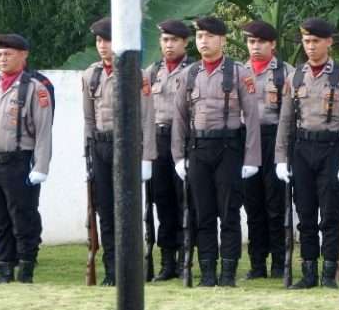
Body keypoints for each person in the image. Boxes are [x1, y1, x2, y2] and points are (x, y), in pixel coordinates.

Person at [172, 15, 261, 287]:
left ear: (222, 39)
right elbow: (179, 117)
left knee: (229, 213)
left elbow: (252, 116)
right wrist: (178, 156)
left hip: (228, 148)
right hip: (199, 149)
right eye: (199, 37)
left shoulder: (238, 73)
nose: (203, 41)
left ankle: (228, 273)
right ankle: (207, 272)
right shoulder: (189, 75)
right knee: (203, 213)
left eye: (209, 36)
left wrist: (252, 158)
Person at [275, 17, 339, 289]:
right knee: (305, 212)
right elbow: (285, 121)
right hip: (302, 149)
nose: (310, 46)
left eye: (315, 41)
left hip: (330, 149)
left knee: (330, 213)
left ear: (328, 42)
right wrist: (281, 158)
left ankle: (328, 274)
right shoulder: (295, 76)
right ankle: (308, 272)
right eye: (306, 41)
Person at [0, 34, 54, 285]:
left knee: (22, 217)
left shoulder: (34, 89)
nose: (2, 58)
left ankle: (26, 266)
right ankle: (4, 268)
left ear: (23, 56)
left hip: (19, 162)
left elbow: (43, 132)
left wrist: (40, 167)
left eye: (8, 54)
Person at [81, 18, 155, 286]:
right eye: (99, 41)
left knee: (127, 209)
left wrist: (146, 156)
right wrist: (89, 153)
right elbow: (89, 119)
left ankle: (130, 267)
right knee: (105, 211)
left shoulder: (136, 74)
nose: (102, 46)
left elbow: (147, 117)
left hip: (126, 147)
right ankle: (111, 268)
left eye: (107, 40)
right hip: (100, 147)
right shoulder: (91, 75)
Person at [242, 20, 289, 279]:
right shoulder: (238, 71)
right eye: (251, 42)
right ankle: (257, 263)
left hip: (275, 139)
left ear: (272, 44)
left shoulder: (285, 73)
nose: (255, 46)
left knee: (276, 204)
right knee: (253, 205)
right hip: (248, 141)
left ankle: (280, 262)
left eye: (260, 42)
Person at [146, 19, 193, 281]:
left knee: (185, 201)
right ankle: (167, 260)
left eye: (174, 40)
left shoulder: (193, 71)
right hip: (158, 141)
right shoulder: (152, 72)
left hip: (184, 140)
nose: (169, 45)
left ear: (185, 42)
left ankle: (186, 256)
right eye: (165, 40)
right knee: (161, 201)